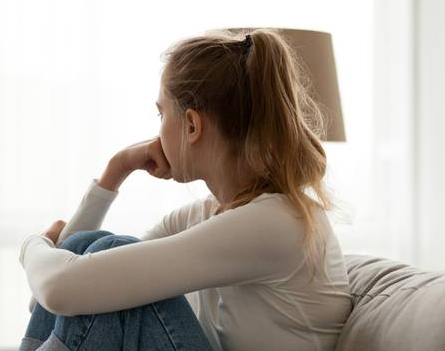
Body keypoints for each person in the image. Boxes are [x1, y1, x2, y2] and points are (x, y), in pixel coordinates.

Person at [18, 28, 353, 351]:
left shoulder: (275, 223)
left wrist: (33, 246)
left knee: (110, 253)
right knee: (94, 248)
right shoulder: (211, 214)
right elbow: (57, 295)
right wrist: (116, 169)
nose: (158, 130)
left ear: (192, 125)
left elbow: (58, 287)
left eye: (161, 113)